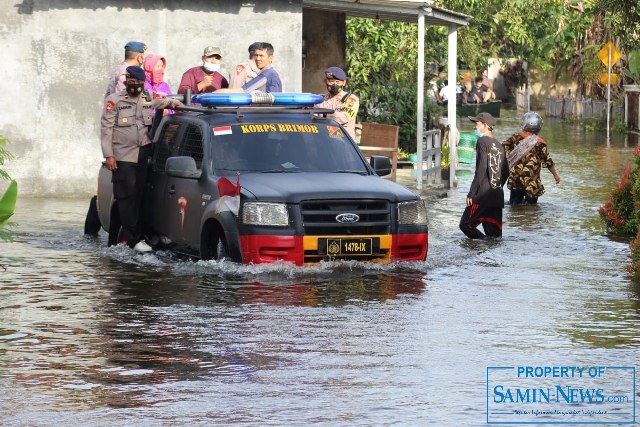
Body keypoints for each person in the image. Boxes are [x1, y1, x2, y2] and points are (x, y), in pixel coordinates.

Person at [101, 66, 183, 252]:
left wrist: (172, 103)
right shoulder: (114, 101)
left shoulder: (145, 98)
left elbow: (157, 103)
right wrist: (109, 155)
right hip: (122, 156)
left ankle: (140, 236)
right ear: (126, 81)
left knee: (139, 197)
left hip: (143, 153)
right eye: (131, 82)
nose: (135, 86)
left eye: (138, 83)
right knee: (126, 197)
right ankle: (134, 239)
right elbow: (106, 130)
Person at [459, 112, 510, 239]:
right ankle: (489, 255)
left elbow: (481, 168)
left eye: (476, 123)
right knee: (494, 238)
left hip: (482, 195)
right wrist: (496, 186)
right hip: (497, 196)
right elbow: (506, 172)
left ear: (485, 125)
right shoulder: (499, 145)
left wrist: (471, 193)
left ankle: (480, 247)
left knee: (466, 225)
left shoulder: (482, 141)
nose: (474, 127)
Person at [502, 111, 561, 205]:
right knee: (531, 209)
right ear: (539, 126)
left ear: (524, 124)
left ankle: (514, 219)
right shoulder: (541, 143)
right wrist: (555, 175)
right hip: (532, 181)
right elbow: (548, 161)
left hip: (516, 178)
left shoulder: (515, 138)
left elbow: (502, 148)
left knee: (514, 206)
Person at [314, 67, 360, 139]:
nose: (334, 84)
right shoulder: (320, 99)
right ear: (325, 81)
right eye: (331, 82)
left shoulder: (351, 99)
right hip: (323, 141)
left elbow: (343, 118)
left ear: (344, 83)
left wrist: (322, 116)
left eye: (338, 82)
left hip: (343, 143)